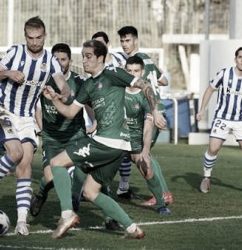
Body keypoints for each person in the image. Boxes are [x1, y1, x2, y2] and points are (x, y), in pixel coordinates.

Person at [42, 39, 166, 239]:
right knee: (91, 192)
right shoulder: (88, 85)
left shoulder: (113, 74)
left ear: (101, 58)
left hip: (106, 141)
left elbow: (145, 85)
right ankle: (132, 227)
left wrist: (155, 111)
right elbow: (70, 112)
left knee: (57, 162)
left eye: (89, 56)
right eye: (83, 56)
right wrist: (55, 99)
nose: (84, 60)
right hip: (118, 147)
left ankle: (66, 214)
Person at [0, 16, 70, 236]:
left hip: (27, 118)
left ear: (45, 36)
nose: (35, 42)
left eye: (39, 37)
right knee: (14, 153)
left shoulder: (51, 61)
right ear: (25, 36)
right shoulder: (14, 53)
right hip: (5, 110)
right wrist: (7, 73)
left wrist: (60, 94)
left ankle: (22, 222)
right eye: (30, 38)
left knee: (24, 166)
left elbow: (65, 87)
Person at [30, 43, 91, 219]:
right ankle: (41, 194)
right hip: (52, 139)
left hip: (75, 136)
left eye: (63, 59)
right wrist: (40, 129)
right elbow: (36, 107)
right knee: (50, 178)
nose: (60, 62)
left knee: (83, 169)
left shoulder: (79, 82)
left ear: (70, 61)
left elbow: (88, 104)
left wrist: (94, 122)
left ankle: (74, 199)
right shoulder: (43, 81)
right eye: (56, 59)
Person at [116, 26, 173, 205]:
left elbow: (140, 85)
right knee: (142, 153)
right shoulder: (147, 59)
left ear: (136, 41)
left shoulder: (136, 62)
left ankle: (162, 193)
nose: (125, 44)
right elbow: (164, 80)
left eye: (128, 40)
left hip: (150, 109)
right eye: (122, 41)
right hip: (156, 107)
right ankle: (163, 193)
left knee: (142, 153)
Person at [196, 46, 242, 193]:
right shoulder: (225, 74)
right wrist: (202, 109)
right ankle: (206, 177)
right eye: (240, 57)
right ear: (235, 59)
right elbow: (210, 89)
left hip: (241, 120)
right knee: (213, 148)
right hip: (222, 118)